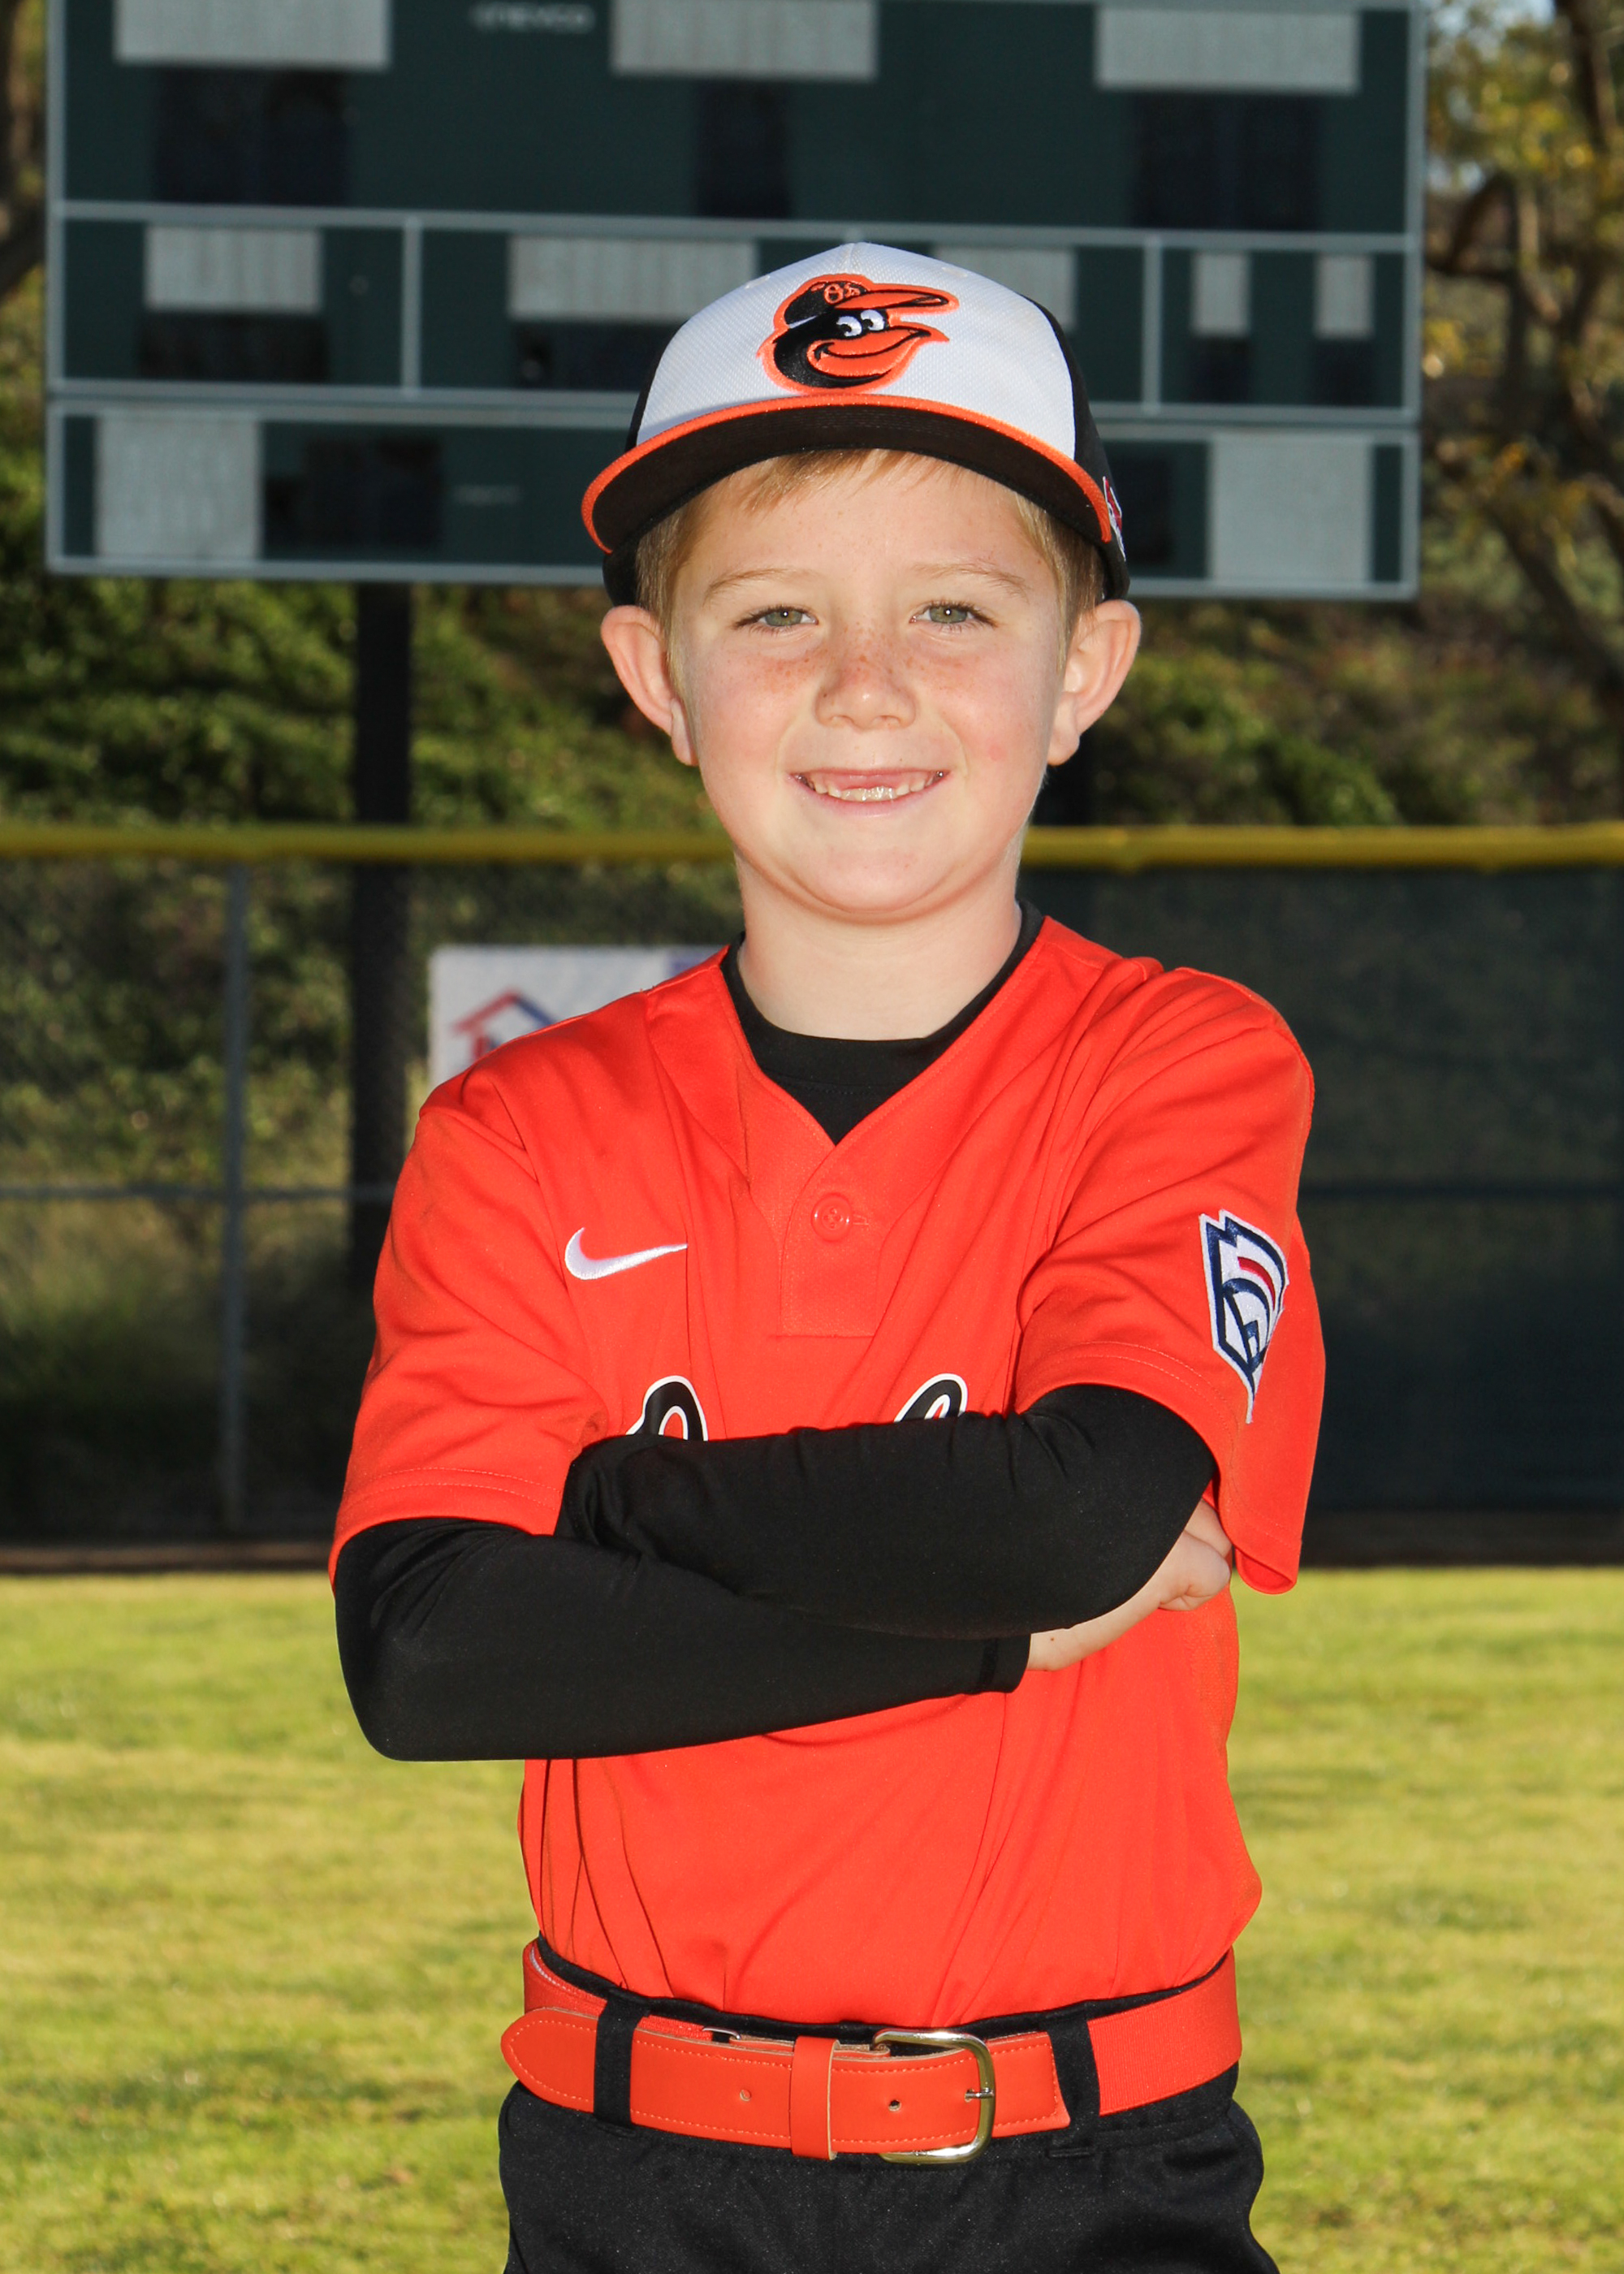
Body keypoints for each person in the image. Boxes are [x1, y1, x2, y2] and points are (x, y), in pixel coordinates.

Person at [332, 244, 1324, 2273]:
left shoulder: (1179, 1063)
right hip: (635, 2167)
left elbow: (1074, 1515)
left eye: (954, 609)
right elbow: (431, 1650)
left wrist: (614, 1504)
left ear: (1084, 669)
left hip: (1091, 2165)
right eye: (773, 612)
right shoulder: (518, 1126)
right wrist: (980, 1637)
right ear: (655, 674)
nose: (865, 683)